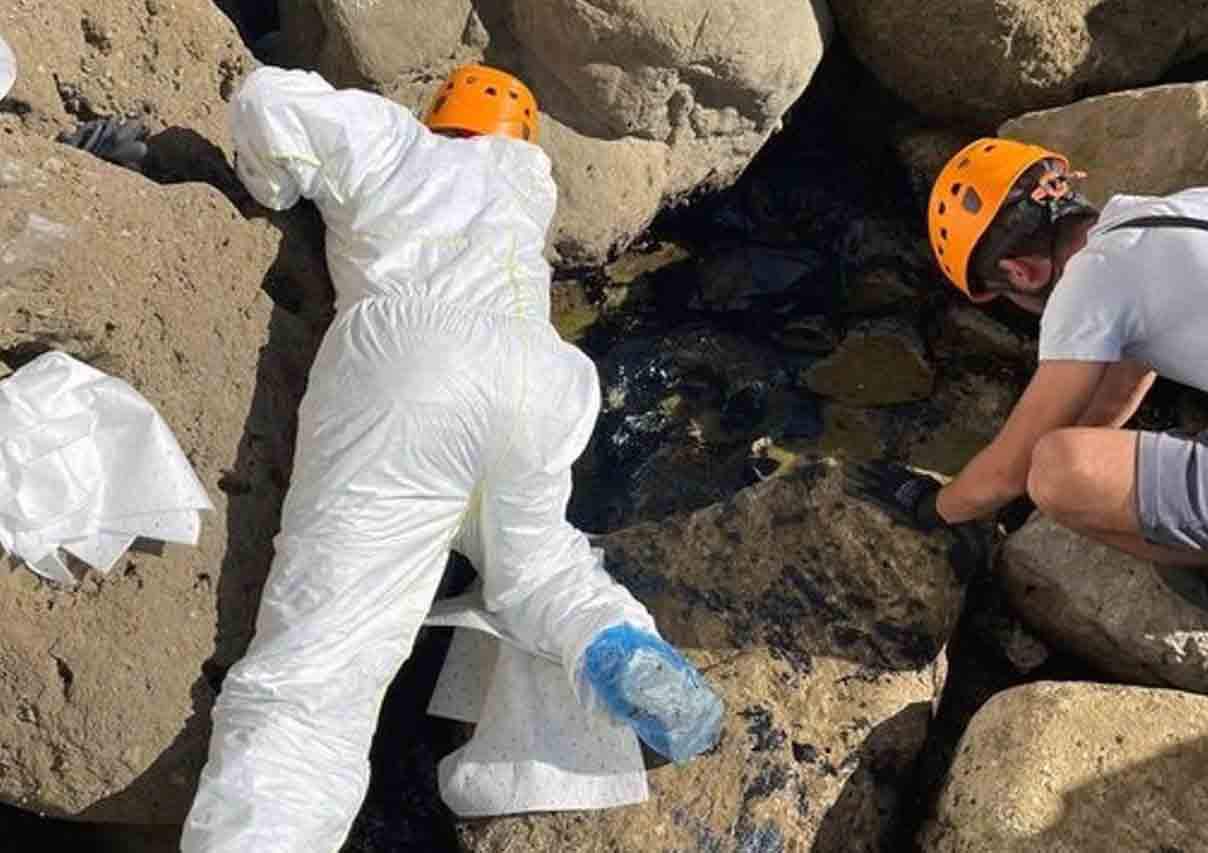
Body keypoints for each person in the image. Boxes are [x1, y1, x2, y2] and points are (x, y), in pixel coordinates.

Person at [180, 63, 723, 852]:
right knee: (535, 566)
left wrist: (271, 186)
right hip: (538, 378)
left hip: (413, 359)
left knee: (317, 673)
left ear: (438, 114)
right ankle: (615, 642)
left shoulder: (400, 145)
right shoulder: (523, 203)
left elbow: (266, 100)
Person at [847, 137, 1208, 568]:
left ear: (1021, 272)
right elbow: (1126, 377)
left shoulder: (1091, 280)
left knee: (1057, 472)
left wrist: (933, 506)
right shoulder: (1169, 211)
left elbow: (1008, 473)